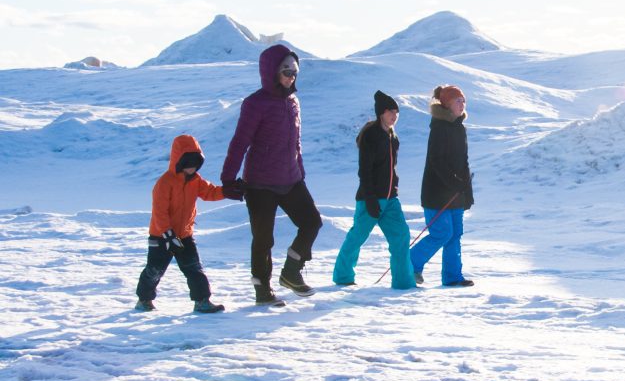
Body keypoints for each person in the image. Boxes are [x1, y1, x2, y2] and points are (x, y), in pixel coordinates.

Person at [221, 44, 323, 307]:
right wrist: (228, 179)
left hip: (290, 179)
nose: (291, 77)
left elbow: (295, 141)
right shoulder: (255, 103)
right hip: (260, 184)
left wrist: (299, 170)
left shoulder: (293, 100)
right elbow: (240, 141)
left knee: (312, 222)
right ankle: (262, 290)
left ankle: (291, 272)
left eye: (295, 72)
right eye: (286, 71)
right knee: (263, 239)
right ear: (271, 72)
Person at [136, 134, 241, 313]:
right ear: (179, 160)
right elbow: (160, 212)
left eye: (195, 162)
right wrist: (168, 235)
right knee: (154, 270)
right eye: (187, 162)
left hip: (184, 235)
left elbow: (209, 193)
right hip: (161, 237)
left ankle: (202, 301)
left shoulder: (196, 180)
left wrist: (227, 191)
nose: (192, 167)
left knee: (194, 269)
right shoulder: (165, 182)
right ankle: (144, 300)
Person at [332, 90, 416, 290]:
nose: (394, 115)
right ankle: (343, 276)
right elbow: (365, 170)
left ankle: (404, 282)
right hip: (369, 199)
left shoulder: (393, 137)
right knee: (357, 236)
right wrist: (370, 199)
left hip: (391, 200)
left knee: (401, 235)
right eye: (390, 111)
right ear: (381, 113)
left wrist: (393, 189)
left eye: (396, 111)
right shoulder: (371, 135)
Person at [409, 85, 475, 287]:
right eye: (458, 101)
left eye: (463, 100)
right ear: (446, 104)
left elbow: (463, 162)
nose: (462, 104)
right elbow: (437, 162)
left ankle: (453, 277)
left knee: (455, 234)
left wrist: (467, 192)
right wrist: (454, 184)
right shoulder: (440, 127)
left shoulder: (459, 128)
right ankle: (409, 265)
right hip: (436, 193)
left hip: (455, 193)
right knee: (442, 233)